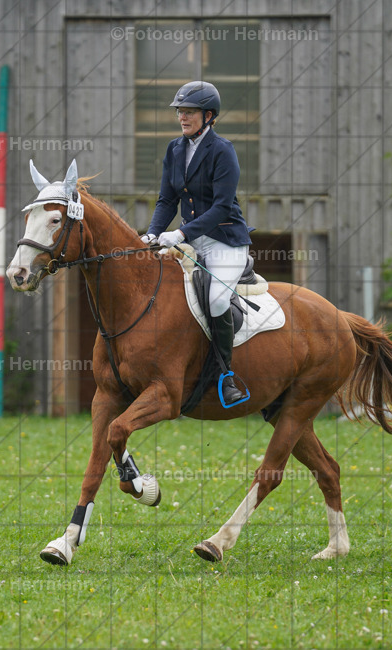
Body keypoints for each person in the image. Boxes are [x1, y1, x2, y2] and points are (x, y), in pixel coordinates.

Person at [142, 81, 252, 406]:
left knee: (217, 300)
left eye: (188, 112)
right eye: (180, 112)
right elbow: (166, 199)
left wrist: (180, 234)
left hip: (225, 242)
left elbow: (221, 207)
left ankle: (226, 376)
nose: (182, 118)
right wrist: (153, 233)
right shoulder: (174, 149)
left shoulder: (223, 150)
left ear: (208, 116)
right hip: (191, 241)